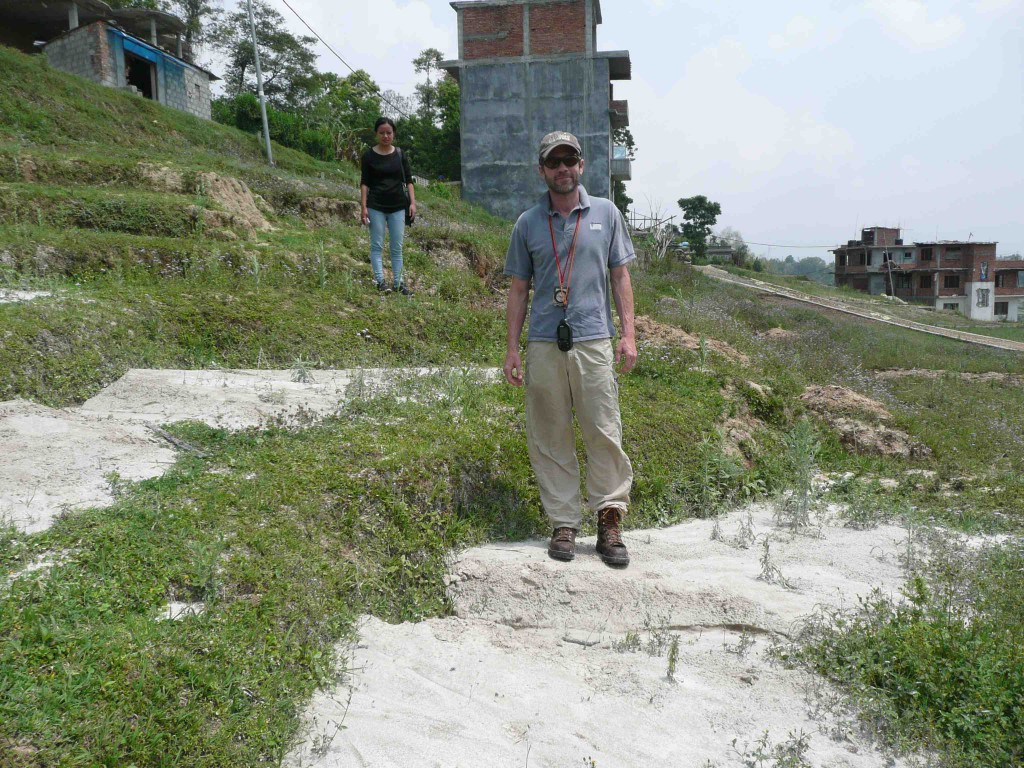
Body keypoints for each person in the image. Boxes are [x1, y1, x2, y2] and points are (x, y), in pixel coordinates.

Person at [503, 131, 637, 566]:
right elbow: (519, 289)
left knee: (603, 429)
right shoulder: (527, 223)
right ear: (542, 170)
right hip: (544, 342)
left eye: (570, 160)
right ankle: (563, 521)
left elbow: (620, 277)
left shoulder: (606, 213)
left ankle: (609, 520)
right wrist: (511, 349)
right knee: (550, 432)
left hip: (594, 338)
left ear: (582, 165)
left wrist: (629, 334)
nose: (562, 168)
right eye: (553, 162)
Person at [360, 117, 416, 295]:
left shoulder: (400, 154)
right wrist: (363, 207)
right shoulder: (368, 156)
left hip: (398, 205)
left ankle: (399, 283)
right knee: (377, 245)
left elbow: (408, 180)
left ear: (394, 134)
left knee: (396, 246)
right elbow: (364, 183)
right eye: (382, 133)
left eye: (389, 133)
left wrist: (413, 203)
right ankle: (380, 282)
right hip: (376, 205)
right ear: (376, 134)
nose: (385, 136)